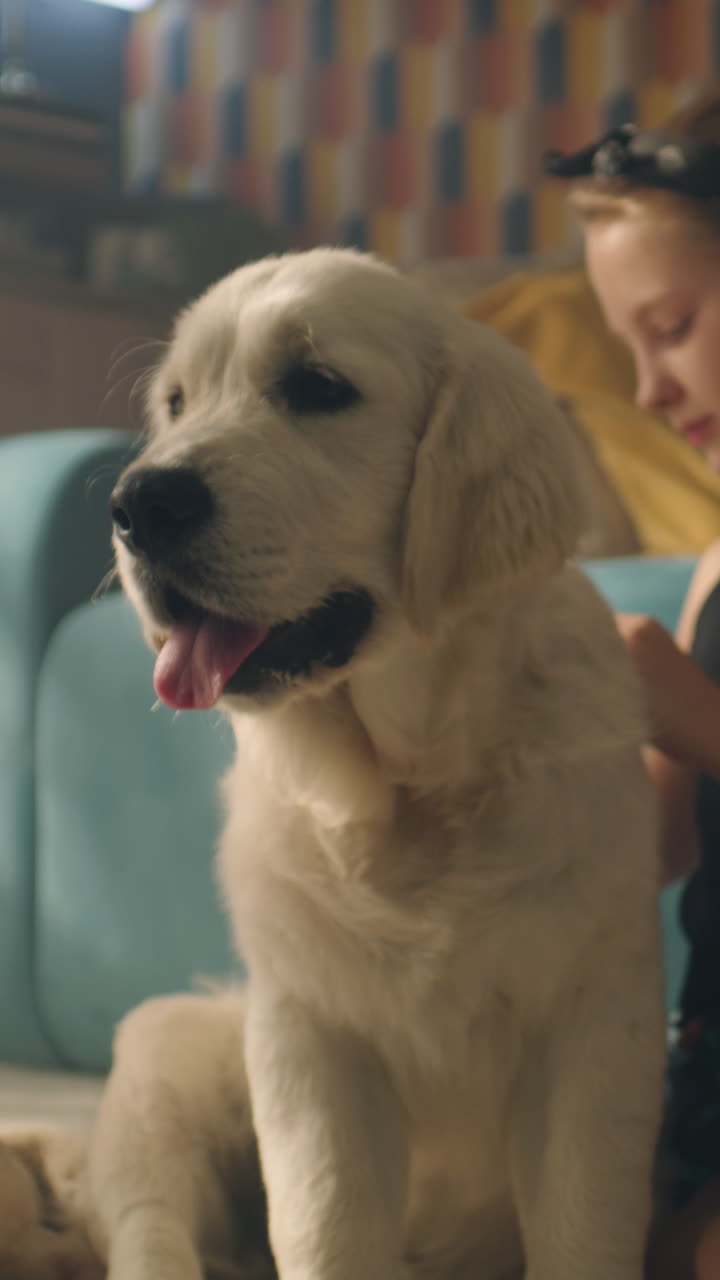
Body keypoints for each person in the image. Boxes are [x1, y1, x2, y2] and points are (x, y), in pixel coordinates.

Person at [545, 91, 720, 1279]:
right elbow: (655, 846)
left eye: (675, 324)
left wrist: (686, 705)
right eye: (629, 348)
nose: (651, 390)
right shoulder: (717, 564)